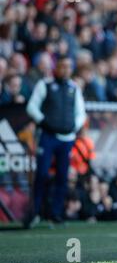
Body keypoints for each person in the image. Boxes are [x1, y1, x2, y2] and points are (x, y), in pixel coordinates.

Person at [24, 55, 87, 228]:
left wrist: (74, 126)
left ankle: (56, 213)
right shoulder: (44, 85)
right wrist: (44, 122)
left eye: (68, 67)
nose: (65, 70)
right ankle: (35, 212)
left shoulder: (74, 88)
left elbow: (81, 112)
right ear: (55, 68)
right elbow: (31, 107)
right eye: (62, 66)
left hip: (67, 139)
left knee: (62, 177)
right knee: (42, 174)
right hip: (47, 136)